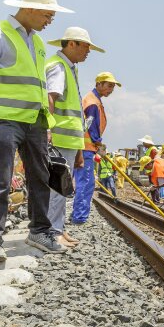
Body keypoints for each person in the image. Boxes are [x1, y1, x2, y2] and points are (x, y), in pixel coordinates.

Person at [0, 0, 74, 261]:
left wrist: (46, 124)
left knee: (40, 178)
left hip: (34, 122)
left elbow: (36, 87)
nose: (50, 20)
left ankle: (39, 231)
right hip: (3, 120)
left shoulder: (36, 42)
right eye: (48, 14)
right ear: (31, 9)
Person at [46, 26, 105, 248]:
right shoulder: (59, 67)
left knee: (62, 188)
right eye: (86, 46)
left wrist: (79, 150)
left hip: (69, 141)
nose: (88, 51)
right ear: (72, 44)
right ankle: (53, 232)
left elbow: (76, 116)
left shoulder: (70, 68)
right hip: (59, 139)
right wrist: (48, 132)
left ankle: (58, 229)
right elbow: (50, 99)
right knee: (57, 188)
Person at [71, 71, 120, 224]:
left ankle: (79, 215)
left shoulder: (94, 99)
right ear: (98, 84)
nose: (111, 89)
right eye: (109, 85)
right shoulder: (92, 102)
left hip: (85, 147)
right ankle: (79, 217)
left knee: (85, 182)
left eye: (113, 87)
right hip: (86, 147)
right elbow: (90, 126)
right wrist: (98, 143)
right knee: (85, 182)